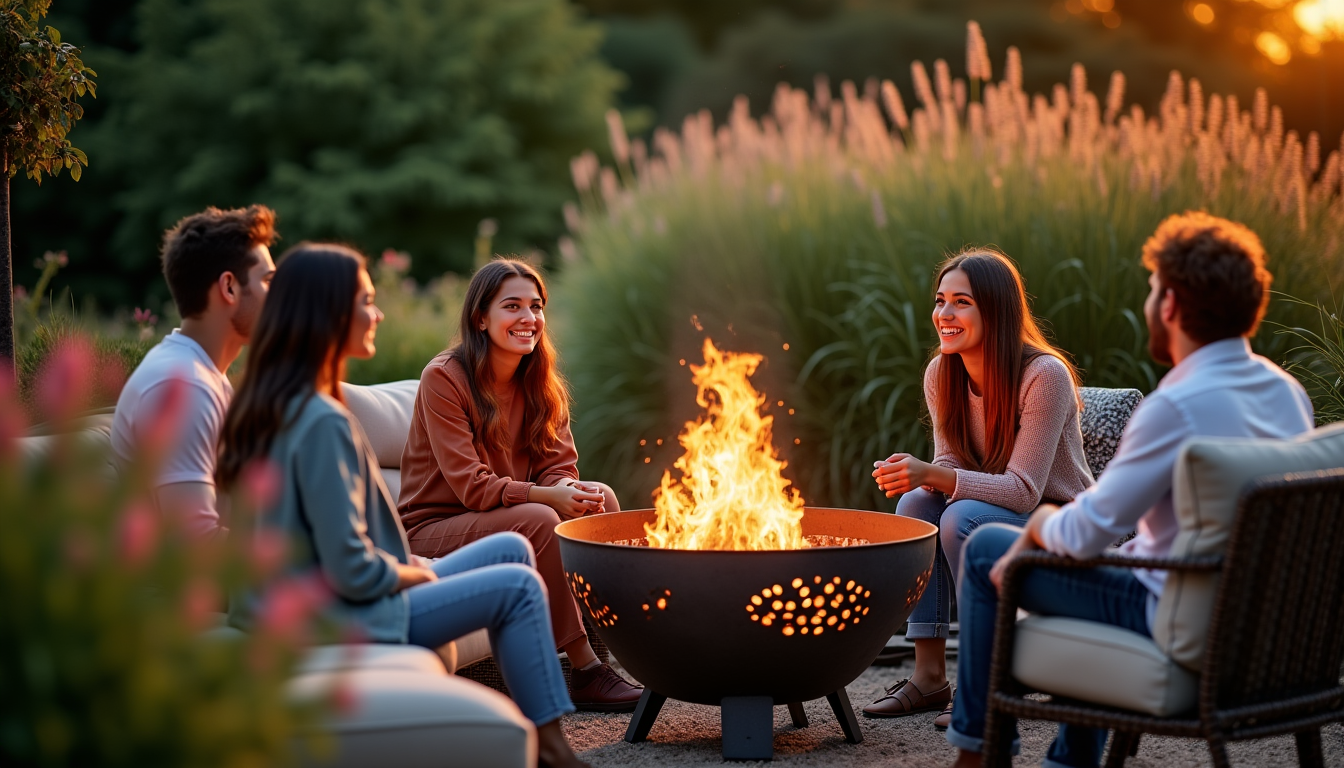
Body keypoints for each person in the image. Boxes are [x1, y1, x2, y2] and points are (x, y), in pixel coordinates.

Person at [945, 212, 1315, 768]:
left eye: (1150, 292)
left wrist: (1041, 525)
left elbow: (1088, 533)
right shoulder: (1288, 394)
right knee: (1069, 576)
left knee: (986, 550)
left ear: (1169, 305)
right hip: (1265, 629)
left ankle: (977, 753)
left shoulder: (1174, 407)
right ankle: (1069, 759)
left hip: (1172, 607)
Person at [219, 244, 591, 768]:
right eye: (366, 301)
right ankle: (552, 750)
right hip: (332, 616)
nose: (378, 313)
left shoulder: (276, 404)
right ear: (328, 313)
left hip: (320, 599)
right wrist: (417, 574)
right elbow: (352, 566)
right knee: (518, 585)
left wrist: (404, 567)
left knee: (510, 548)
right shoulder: (321, 421)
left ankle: (541, 705)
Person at [398, 258, 642, 712]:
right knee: (540, 518)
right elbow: (471, 486)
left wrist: (567, 489)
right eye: (513, 306)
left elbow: (557, 463)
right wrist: (550, 496)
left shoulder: (539, 381)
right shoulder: (444, 379)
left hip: (503, 513)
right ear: (481, 317)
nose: (528, 319)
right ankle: (586, 669)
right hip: (436, 524)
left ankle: (630, 648)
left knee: (601, 497)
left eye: (536, 306)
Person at [863, 249, 1094, 728]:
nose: (944, 315)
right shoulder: (941, 373)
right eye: (940, 300)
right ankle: (928, 678)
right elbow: (950, 465)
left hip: (1058, 519)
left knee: (960, 518)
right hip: (995, 506)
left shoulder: (1042, 375)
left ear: (996, 309)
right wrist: (922, 476)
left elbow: (1024, 491)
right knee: (915, 506)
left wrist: (933, 474)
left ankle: (983, 685)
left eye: (961, 302)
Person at [111, 205, 278, 539]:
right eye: (268, 281)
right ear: (229, 288)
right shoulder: (185, 386)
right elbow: (196, 543)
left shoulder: (204, 375)